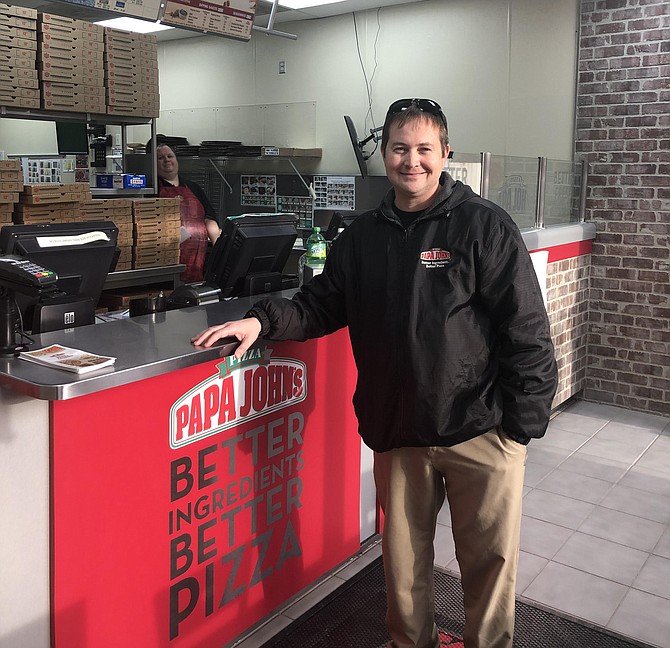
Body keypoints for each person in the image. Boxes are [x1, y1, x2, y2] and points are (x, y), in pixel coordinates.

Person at [191, 98, 558, 648]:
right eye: (400, 149)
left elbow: (526, 328)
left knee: (488, 568)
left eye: (424, 149)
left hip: (480, 430)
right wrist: (261, 322)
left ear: (445, 154)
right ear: (384, 155)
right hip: (398, 432)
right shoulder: (362, 238)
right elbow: (320, 304)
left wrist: (520, 428)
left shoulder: (483, 226)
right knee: (404, 575)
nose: (412, 161)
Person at [150, 138, 221, 282]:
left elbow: (209, 217)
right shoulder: (153, 190)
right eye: (160, 158)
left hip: (197, 259)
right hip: (167, 258)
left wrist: (220, 248)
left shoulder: (193, 187)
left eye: (170, 156)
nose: (167, 160)